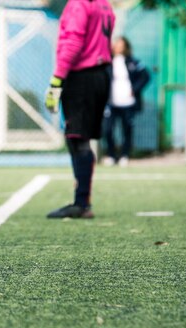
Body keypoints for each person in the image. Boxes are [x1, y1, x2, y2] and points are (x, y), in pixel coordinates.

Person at [45, 0, 115, 219]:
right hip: (101, 73)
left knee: (78, 138)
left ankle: (81, 203)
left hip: (82, 76)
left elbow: (73, 42)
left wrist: (57, 80)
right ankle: (82, 200)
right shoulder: (104, 4)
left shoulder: (78, 3)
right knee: (77, 137)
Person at [103, 37, 151, 167]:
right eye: (116, 44)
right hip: (111, 103)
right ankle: (111, 155)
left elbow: (146, 76)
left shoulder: (133, 62)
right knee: (108, 129)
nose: (118, 46)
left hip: (128, 102)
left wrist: (134, 90)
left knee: (127, 129)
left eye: (121, 44)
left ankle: (125, 155)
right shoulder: (107, 62)